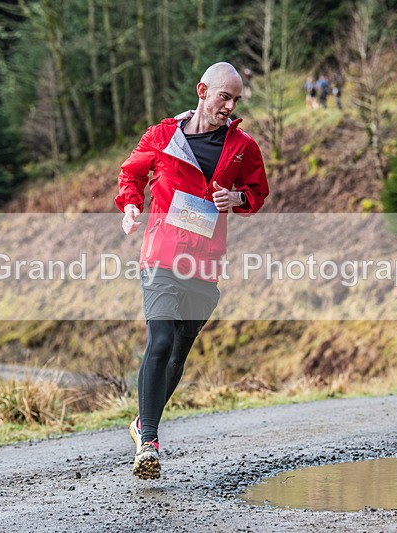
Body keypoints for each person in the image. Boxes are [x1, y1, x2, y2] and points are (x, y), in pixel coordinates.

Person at [115, 62, 269, 480]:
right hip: (161, 254)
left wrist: (236, 197)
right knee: (160, 340)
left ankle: (141, 424)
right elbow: (131, 174)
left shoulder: (243, 147)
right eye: (224, 97)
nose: (230, 106)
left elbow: (258, 193)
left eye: (236, 100)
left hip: (204, 262)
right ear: (203, 90)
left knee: (179, 351)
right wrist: (130, 204)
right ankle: (148, 441)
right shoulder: (163, 135)